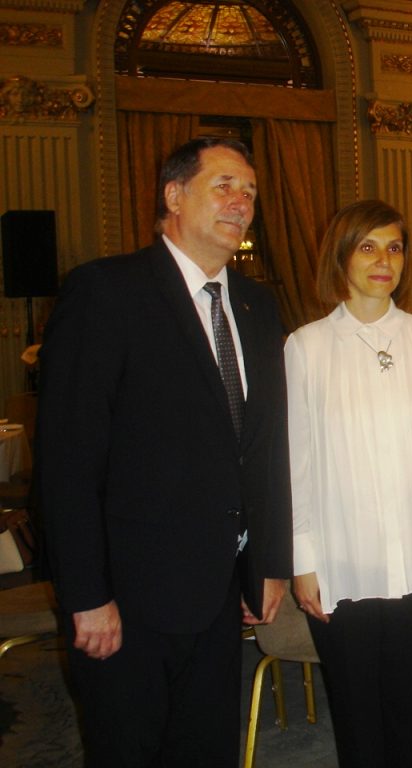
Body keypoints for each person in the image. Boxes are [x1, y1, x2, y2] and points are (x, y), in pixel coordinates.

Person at [36, 137, 292, 766]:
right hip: (129, 596)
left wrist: (268, 561)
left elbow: (266, 449)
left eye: (250, 192)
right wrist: (86, 595)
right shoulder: (106, 292)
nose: (241, 202)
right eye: (224, 185)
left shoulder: (259, 306)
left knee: (205, 750)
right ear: (174, 196)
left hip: (221, 590)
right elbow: (68, 460)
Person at [286, 199, 412, 768]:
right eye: (368, 247)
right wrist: (303, 560)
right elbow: (297, 463)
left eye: (394, 247)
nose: (384, 260)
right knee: (356, 718)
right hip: (341, 561)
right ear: (342, 255)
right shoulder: (306, 346)